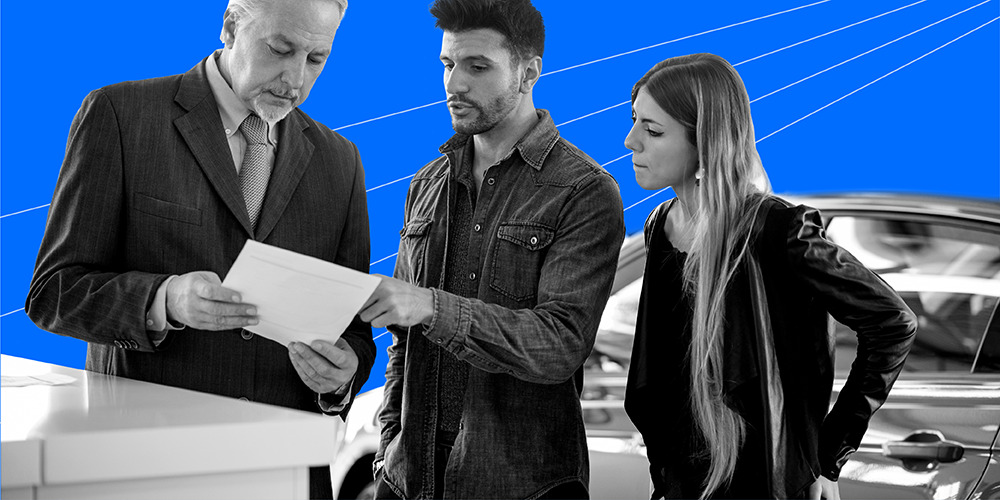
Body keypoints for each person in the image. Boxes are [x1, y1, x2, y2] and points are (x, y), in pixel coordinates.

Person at [25, 0, 374, 497]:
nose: (294, 79)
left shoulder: (341, 162)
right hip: (145, 472)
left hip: (285, 475)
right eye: (281, 49)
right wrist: (164, 300)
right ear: (231, 27)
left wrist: (341, 375)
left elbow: (354, 330)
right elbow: (53, 293)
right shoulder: (121, 116)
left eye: (316, 58)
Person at [358, 0, 625, 498]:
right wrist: (389, 445)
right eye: (448, 64)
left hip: (522, 486)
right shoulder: (427, 184)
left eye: (477, 67)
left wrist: (431, 307)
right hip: (408, 482)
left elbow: (559, 345)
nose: (455, 84)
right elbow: (401, 341)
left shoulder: (584, 191)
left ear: (528, 73)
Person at [622, 53, 917, 500]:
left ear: (705, 141)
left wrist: (827, 455)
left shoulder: (777, 230)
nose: (630, 141)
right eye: (635, 121)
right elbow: (661, 374)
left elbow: (894, 323)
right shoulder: (660, 225)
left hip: (766, 481)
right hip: (684, 481)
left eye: (653, 129)